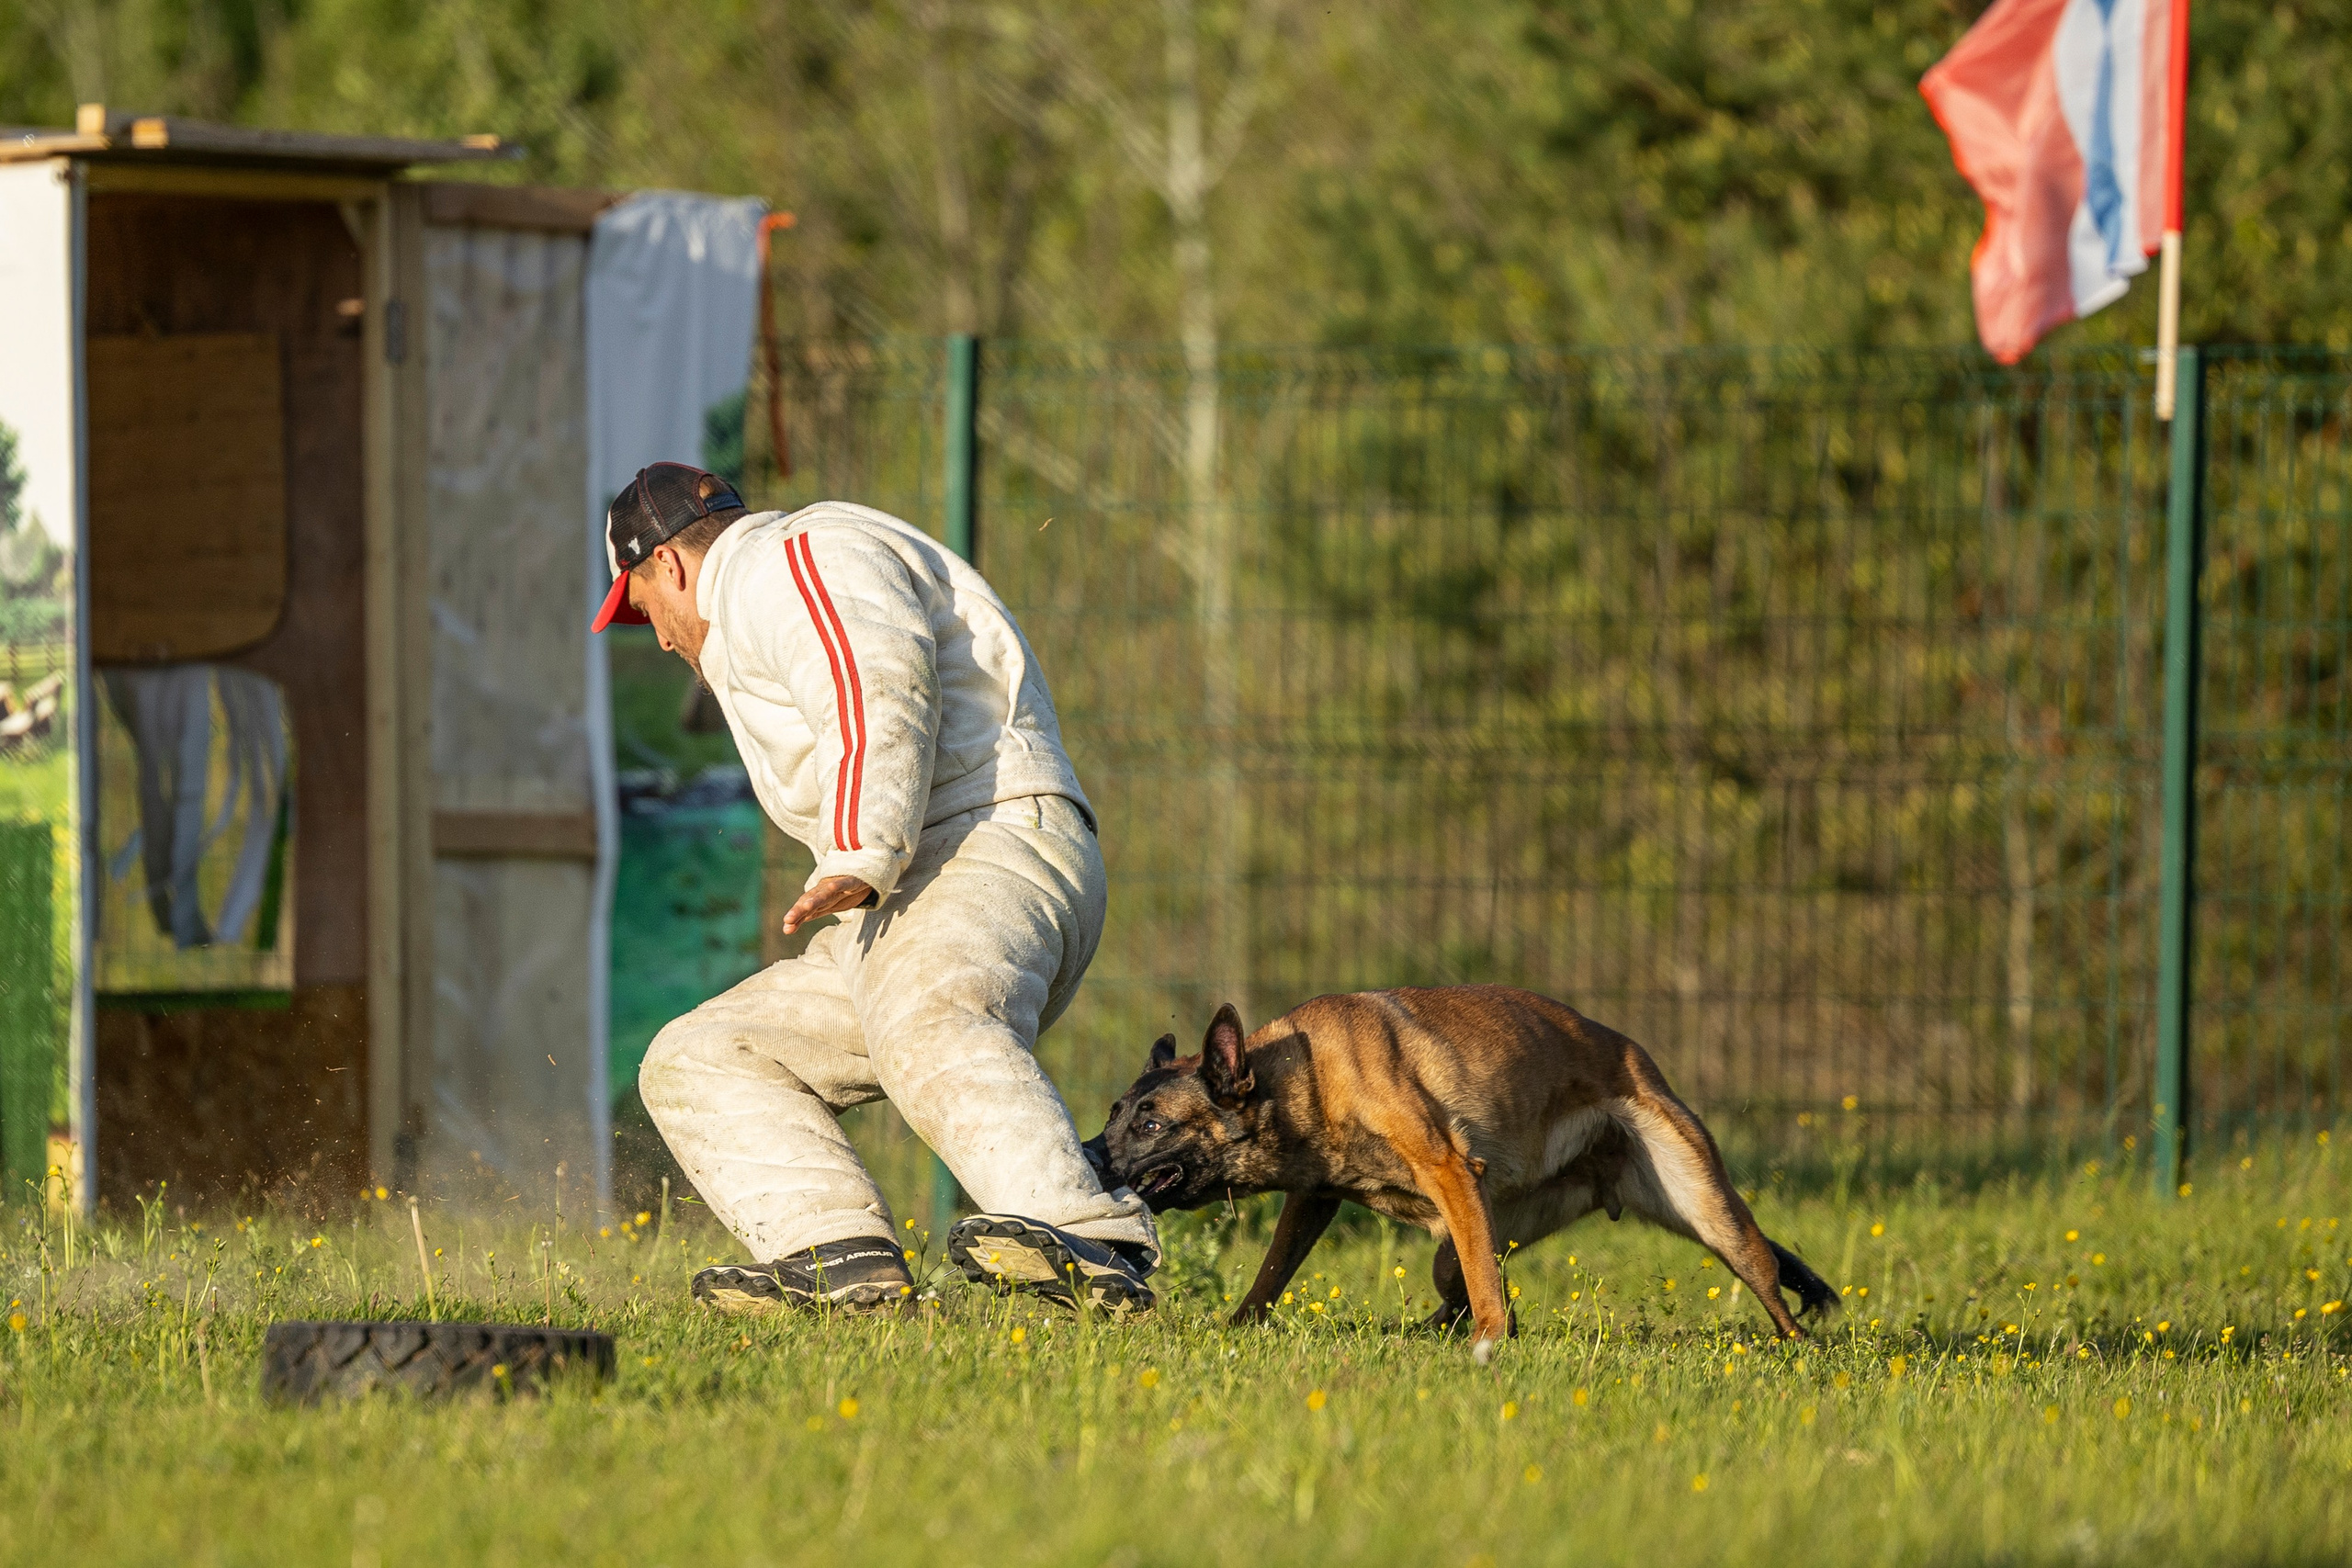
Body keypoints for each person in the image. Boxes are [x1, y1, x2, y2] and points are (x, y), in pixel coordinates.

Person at [595, 463, 1158, 1314]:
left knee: (929, 1007)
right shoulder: (758, 602)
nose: (661, 640)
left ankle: (1087, 1233)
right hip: (912, 892)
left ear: (669, 564)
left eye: (642, 608)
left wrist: (860, 847)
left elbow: (876, 673)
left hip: (988, 846)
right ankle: (836, 1254)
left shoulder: (786, 558)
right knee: (700, 1054)